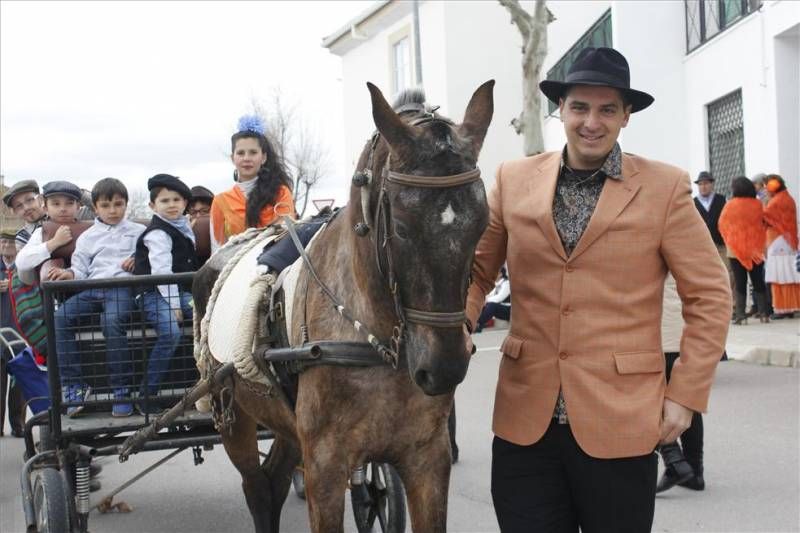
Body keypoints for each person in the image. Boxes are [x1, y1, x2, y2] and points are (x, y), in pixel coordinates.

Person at [465, 47, 731, 532]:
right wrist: (459, 323)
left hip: (622, 422)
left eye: (608, 109)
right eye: (580, 108)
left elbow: (710, 296)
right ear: (560, 110)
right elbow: (477, 273)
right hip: (525, 424)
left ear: (626, 116)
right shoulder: (513, 179)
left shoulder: (665, 188)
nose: (592, 122)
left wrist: (686, 395)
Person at [51, 178, 145, 417]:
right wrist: (68, 273)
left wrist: (139, 262)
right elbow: (80, 269)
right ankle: (74, 385)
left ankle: (121, 389)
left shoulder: (140, 233)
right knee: (59, 318)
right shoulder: (87, 237)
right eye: (106, 205)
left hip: (121, 288)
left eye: (118, 204)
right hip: (92, 289)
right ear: (95, 208)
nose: (112, 210)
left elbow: (152, 260)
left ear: (126, 204)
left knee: (111, 321)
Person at [133, 174, 196, 415]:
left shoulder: (183, 226)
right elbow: (161, 272)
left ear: (184, 203)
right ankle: (146, 394)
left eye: (176, 199)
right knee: (170, 332)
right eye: (164, 200)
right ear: (152, 206)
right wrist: (174, 305)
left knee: (207, 315)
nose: (171, 204)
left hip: (178, 291)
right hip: (152, 293)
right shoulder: (157, 233)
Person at [209, 115, 295, 252]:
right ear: (233, 158)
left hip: (275, 267)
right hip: (234, 269)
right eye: (241, 153)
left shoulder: (281, 193)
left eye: (253, 152)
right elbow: (217, 249)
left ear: (263, 157)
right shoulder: (220, 201)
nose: (246, 158)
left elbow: (288, 236)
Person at [656, 275, 706, 493]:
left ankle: (674, 460)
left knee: (644, 399)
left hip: (659, 334)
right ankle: (694, 471)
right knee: (686, 401)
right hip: (683, 331)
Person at [718, 177, 769, 324]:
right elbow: (764, 223)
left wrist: (732, 239)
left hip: (735, 251)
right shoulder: (757, 205)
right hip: (755, 249)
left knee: (740, 282)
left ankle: (741, 316)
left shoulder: (730, 205)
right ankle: (764, 314)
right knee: (758, 280)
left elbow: (722, 224)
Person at [763, 175, 800, 318]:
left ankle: (783, 308)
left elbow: (765, 218)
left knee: (779, 275)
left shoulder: (776, 201)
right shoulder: (788, 198)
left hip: (778, 240)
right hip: (788, 240)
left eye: (767, 186)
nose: (766, 189)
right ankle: (791, 306)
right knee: (789, 273)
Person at [0, 229, 26, 437]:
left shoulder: (25, 269)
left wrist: (15, 285)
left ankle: (19, 426)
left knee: (20, 385)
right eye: (3, 241)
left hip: (21, 336)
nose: (6, 245)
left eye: (10, 242)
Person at [694, 171, 734, 301]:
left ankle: (730, 302)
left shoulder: (721, 199)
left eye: (706, 183)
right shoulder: (693, 203)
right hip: (702, 247)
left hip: (721, 244)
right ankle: (710, 302)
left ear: (712, 184)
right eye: (700, 184)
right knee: (704, 276)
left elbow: (729, 220)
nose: (703, 186)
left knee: (727, 273)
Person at [2, 179, 46, 252]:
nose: (26, 208)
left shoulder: (61, 218)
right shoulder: (23, 238)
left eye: (29, 200)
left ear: (40, 199)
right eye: (19, 205)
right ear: (14, 212)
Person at [476, 266, 510, 333]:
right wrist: (483, 301)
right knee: (486, 305)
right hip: (500, 307)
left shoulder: (507, 283)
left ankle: (478, 323)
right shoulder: (495, 284)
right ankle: (478, 326)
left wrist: (486, 301)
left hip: (509, 309)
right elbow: (489, 296)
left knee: (492, 305)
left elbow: (499, 298)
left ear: (500, 274)